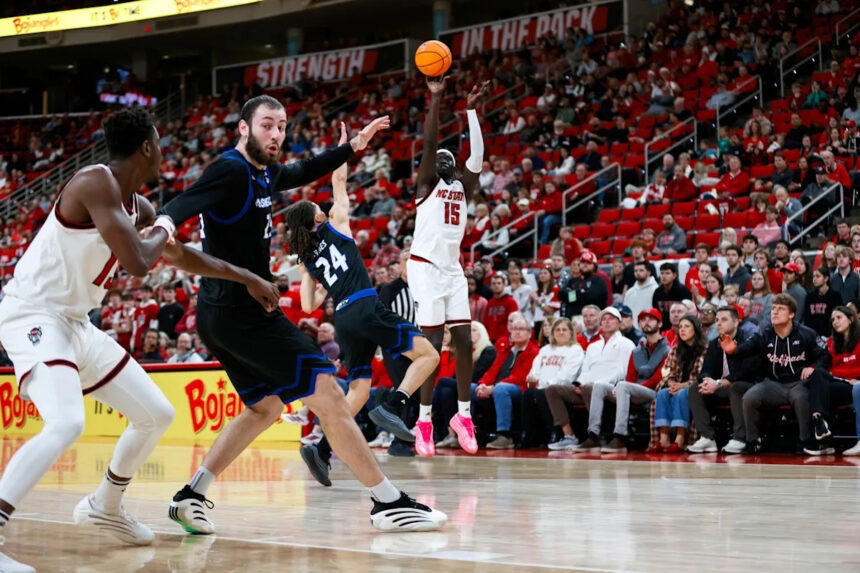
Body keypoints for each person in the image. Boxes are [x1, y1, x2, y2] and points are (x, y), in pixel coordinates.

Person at [161, 96, 445, 533]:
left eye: (282, 126)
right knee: (328, 392)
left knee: (265, 408)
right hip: (242, 312)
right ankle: (388, 503)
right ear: (243, 127)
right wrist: (162, 224)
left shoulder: (263, 172)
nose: (276, 134)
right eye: (267, 125)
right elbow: (183, 203)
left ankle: (191, 495)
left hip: (220, 313)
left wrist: (352, 147)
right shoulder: (230, 169)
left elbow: (302, 171)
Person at [0, 109, 185, 567]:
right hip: (33, 312)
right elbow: (140, 261)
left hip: (76, 323)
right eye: (159, 142)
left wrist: (244, 277)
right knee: (66, 423)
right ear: (146, 147)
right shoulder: (94, 181)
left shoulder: (139, 208)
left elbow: (172, 254)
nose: (163, 151)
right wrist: (167, 224)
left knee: (157, 414)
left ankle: (105, 505)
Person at [291, 152, 440, 476]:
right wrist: (344, 148)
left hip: (342, 319)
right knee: (429, 355)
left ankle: (322, 450)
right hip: (364, 305)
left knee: (358, 389)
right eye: (316, 207)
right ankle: (393, 406)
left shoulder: (309, 261)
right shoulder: (337, 226)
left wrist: (317, 280)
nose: (321, 207)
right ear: (316, 218)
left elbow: (308, 306)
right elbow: (339, 179)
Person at [398, 79, 489, 457]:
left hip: (452, 270)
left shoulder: (464, 187)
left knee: (465, 341)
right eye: (438, 158)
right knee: (434, 347)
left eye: (449, 158)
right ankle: (424, 420)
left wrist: (471, 110)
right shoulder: (426, 187)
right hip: (424, 268)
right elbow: (430, 142)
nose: (443, 159)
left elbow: (478, 154)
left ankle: (463, 416)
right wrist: (436, 98)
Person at [722, 294, 829, 454]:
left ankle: (805, 441)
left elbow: (824, 355)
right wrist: (733, 351)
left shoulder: (807, 333)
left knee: (801, 399)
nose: (775, 312)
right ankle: (753, 441)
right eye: (773, 308)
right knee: (750, 397)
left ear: (791, 314)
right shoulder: (764, 334)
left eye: (781, 309)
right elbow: (745, 349)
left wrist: (813, 367)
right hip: (773, 383)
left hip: (798, 383)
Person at [586, 308, 670, 453]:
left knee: (623, 386)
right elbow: (630, 376)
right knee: (599, 386)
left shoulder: (667, 350)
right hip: (633, 390)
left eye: (651, 319)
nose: (646, 322)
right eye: (643, 320)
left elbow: (657, 379)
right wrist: (620, 388)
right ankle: (593, 435)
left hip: (655, 392)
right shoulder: (637, 350)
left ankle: (620, 437)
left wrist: (626, 387)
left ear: (660, 323)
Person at [555, 307, 635, 451]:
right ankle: (568, 435)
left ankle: (595, 435)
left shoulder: (626, 344)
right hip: (588, 386)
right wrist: (578, 383)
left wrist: (597, 383)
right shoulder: (593, 346)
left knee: (591, 387)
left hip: (612, 387)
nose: (607, 321)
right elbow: (586, 370)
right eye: (604, 319)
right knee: (553, 390)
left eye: (611, 319)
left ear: (619, 323)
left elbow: (623, 372)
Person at [687, 306, 758, 454]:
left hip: (747, 386)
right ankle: (707, 437)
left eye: (724, 320)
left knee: (736, 387)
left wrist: (718, 383)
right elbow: (706, 369)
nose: (718, 323)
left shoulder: (748, 341)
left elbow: (746, 372)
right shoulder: (715, 343)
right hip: (721, 386)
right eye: (717, 320)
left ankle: (740, 438)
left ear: (736, 322)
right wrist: (707, 381)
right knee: (695, 388)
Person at [475, 316, 539, 449]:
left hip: (519, 388)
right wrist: (482, 384)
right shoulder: (505, 350)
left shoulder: (533, 352)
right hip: (497, 387)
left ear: (529, 333)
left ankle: (504, 435)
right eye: (514, 329)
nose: (517, 332)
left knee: (501, 388)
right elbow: (492, 371)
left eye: (521, 329)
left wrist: (493, 387)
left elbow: (520, 377)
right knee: (471, 388)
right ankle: (468, 433)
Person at [645, 315, 707, 453]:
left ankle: (680, 439)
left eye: (687, 326)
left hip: (696, 388)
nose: (682, 330)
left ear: (696, 329)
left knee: (681, 394)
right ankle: (663, 439)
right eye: (680, 327)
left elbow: (703, 377)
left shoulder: (705, 350)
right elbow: (668, 372)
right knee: (662, 393)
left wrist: (682, 386)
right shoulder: (675, 349)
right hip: (677, 387)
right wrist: (672, 383)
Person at [521, 318, 584, 447]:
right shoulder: (545, 349)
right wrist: (532, 379)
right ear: (553, 333)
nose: (561, 332)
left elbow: (567, 376)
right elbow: (534, 370)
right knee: (528, 393)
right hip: (541, 387)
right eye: (557, 330)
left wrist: (544, 383)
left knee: (543, 393)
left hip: (563, 388)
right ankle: (529, 434)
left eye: (564, 330)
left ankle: (555, 432)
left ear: (571, 333)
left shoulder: (575, 350)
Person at [806, 306, 860, 456]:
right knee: (818, 377)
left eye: (839, 317)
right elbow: (825, 366)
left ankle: (821, 437)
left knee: (819, 386)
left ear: (851, 319)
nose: (835, 322)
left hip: (855, 386)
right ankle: (819, 422)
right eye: (833, 319)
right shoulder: (831, 343)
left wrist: (838, 373)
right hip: (839, 383)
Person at [434, 322, 497, 448]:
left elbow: (477, 376)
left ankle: (428, 415)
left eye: (474, 330)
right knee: (446, 391)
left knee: (443, 382)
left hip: (479, 387)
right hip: (464, 386)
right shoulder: (464, 351)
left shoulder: (488, 350)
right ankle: (453, 435)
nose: (470, 333)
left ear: (482, 333)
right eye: (468, 330)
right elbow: (454, 376)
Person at [804, 267, 842, 338]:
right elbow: (807, 319)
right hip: (813, 336)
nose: (814, 279)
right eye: (813, 276)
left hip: (830, 335)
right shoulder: (809, 297)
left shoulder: (835, 296)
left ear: (826, 278)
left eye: (818, 276)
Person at [652, 263, 692, 330]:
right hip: (662, 329)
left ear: (674, 275)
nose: (664, 276)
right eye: (662, 273)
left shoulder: (683, 291)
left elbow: (688, 312)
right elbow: (656, 312)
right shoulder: (657, 292)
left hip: (681, 328)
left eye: (667, 273)